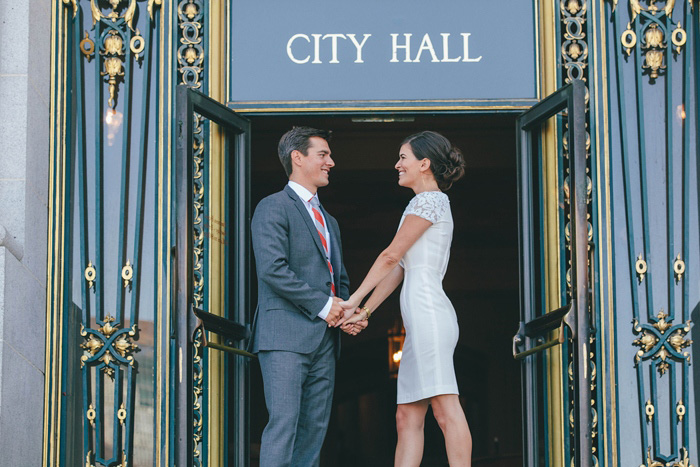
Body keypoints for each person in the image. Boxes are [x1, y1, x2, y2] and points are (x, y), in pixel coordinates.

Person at [338, 131, 472, 466]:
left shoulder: (429, 201)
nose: (397, 165)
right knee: (406, 417)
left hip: (429, 315)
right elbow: (399, 268)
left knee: (444, 410)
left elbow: (388, 255)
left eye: (403, 158)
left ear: (424, 163)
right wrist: (366, 309)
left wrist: (351, 300)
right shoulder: (422, 203)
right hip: (419, 323)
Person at [250, 126, 367, 467]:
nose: (331, 162)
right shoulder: (272, 207)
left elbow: (338, 280)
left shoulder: (330, 220)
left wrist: (345, 313)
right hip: (284, 336)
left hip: (325, 341)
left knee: (314, 433)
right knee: (283, 428)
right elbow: (272, 269)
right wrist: (324, 306)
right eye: (323, 155)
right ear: (297, 158)